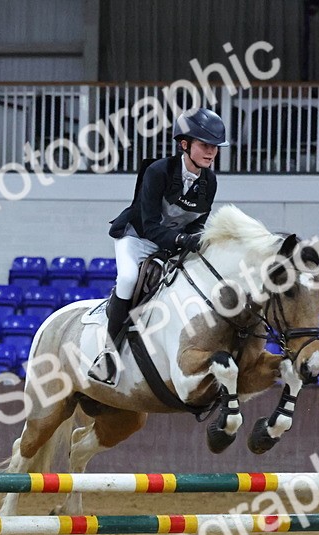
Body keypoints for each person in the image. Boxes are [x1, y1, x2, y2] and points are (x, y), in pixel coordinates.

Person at [87, 107, 229, 386]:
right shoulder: (157, 171)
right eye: (204, 145)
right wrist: (181, 240)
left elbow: (197, 222)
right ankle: (108, 354)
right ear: (184, 144)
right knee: (128, 279)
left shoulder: (209, 181)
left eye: (214, 147)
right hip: (137, 239)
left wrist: (196, 238)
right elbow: (150, 224)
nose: (211, 152)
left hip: (170, 246)